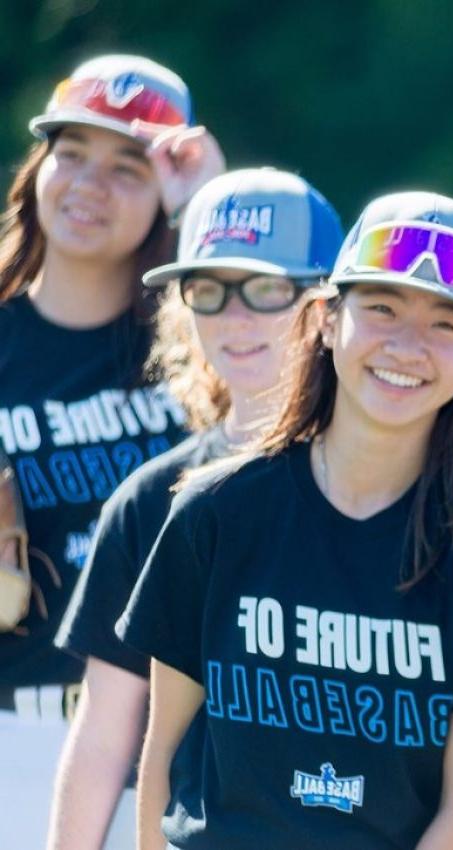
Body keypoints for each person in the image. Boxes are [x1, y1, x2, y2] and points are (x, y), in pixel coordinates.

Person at [118, 192, 453, 848]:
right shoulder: (214, 512)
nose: (407, 346)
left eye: (446, 324)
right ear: (327, 319)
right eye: (382, 309)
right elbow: (163, 755)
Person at [48, 168, 342, 850]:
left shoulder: (385, 497)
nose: (235, 319)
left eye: (266, 288)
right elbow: (100, 737)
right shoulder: (152, 500)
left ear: (329, 307)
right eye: (207, 291)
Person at [0, 54, 223, 846]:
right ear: (37, 171)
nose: (90, 184)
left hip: (180, 748)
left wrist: (207, 207)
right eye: (72, 154)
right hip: (15, 739)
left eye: (130, 166)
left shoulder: (207, 345)